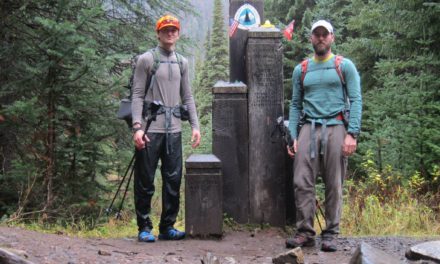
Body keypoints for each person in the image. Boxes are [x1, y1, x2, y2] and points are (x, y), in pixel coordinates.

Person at [286, 20, 362, 252]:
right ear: (311, 38)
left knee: (334, 182)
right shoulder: (302, 69)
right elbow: (296, 104)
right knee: (302, 181)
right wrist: (292, 135)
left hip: (336, 125)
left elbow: (356, 99)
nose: (320, 38)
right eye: (316, 34)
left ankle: (331, 233)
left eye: (324, 34)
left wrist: (352, 134)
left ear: (332, 38)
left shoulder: (344, 66)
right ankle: (305, 232)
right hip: (309, 126)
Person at [131, 14, 201, 242]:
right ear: (158, 33)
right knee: (145, 180)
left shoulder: (182, 62)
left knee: (173, 180)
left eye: (174, 29)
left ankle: (167, 227)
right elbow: (138, 95)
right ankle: (144, 228)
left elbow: (187, 96)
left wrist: (195, 125)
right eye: (166, 29)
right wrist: (137, 127)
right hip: (150, 130)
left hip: (174, 131)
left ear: (178, 34)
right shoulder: (147, 60)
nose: (170, 33)